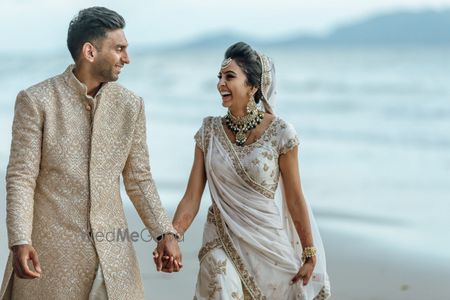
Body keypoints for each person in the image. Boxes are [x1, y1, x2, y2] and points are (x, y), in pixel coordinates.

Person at [0, 6, 181, 300]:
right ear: (90, 51)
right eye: (119, 48)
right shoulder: (37, 101)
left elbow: (138, 179)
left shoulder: (130, 106)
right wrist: (20, 240)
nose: (127, 58)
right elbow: (21, 177)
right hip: (52, 259)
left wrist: (165, 233)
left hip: (114, 259)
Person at [168, 42, 331, 299]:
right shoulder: (208, 132)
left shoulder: (281, 133)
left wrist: (309, 252)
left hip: (267, 244)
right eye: (219, 77)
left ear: (253, 86)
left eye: (229, 76)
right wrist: (172, 235)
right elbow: (191, 197)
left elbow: (295, 197)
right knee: (220, 276)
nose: (221, 83)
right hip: (220, 236)